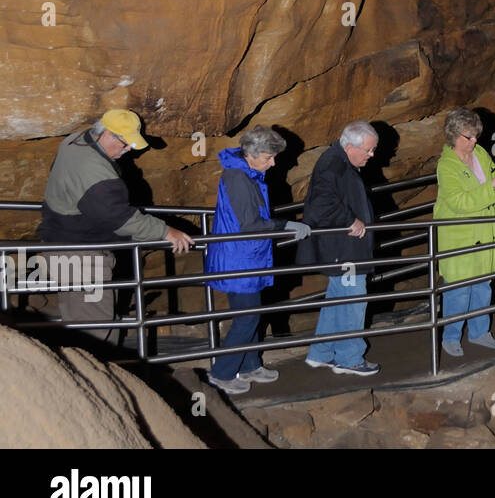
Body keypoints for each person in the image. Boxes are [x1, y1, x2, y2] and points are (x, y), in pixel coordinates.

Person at [37, 109, 194, 342]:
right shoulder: (95, 173)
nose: (129, 149)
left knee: (79, 323)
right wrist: (166, 231)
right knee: (96, 332)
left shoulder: (76, 139)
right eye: (126, 144)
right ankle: (96, 377)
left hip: (60, 243)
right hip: (81, 258)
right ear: (108, 134)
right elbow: (121, 219)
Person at [204, 126, 310, 395]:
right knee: (247, 318)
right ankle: (221, 373)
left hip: (249, 255)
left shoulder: (248, 173)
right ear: (251, 154)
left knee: (253, 314)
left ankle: (250, 364)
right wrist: (284, 225)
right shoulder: (238, 177)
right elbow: (250, 224)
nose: (273, 163)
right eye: (268, 157)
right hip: (239, 258)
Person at [434, 108, 495, 357]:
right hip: (459, 238)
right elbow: (459, 202)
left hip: (485, 233)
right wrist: (492, 186)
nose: (474, 142)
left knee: (483, 286)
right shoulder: (446, 166)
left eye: (475, 136)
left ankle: (479, 333)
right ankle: (450, 338)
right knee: (459, 291)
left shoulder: (481, 153)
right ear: (453, 135)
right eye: (468, 137)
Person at [297, 121, 380, 376]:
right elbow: (321, 204)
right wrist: (349, 220)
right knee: (353, 302)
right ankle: (349, 359)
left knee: (337, 300)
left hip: (343, 248)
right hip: (344, 251)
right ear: (350, 146)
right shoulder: (333, 164)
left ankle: (321, 353)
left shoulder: (338, 162)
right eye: (368, 150)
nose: (372, 155)